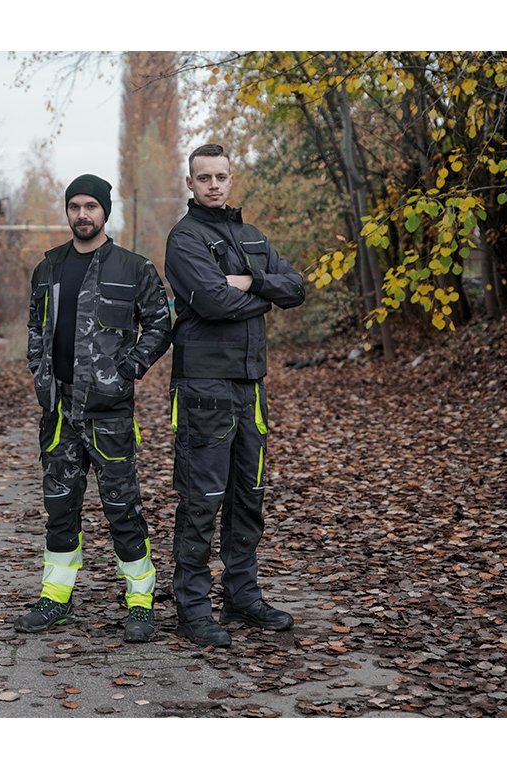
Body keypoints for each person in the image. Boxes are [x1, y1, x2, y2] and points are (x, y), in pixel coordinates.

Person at [18, 173, 172, 643]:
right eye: (75, 206)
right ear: (67, 211)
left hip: (109, 413)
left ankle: (140, 603)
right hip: (59, 412)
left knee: (123, 509)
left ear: (105, 211)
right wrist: (39, 370)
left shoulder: (133, 268)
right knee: (60, 508)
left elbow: (160, 323)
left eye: (90, 206)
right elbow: (36, 327)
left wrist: (127, 370)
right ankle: (55, 598)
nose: (82, 214)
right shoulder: (48, 268)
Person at [164, 144, 306, 647]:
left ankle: (242, 596)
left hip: (250, 386)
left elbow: (296, 288)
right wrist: (264, 298)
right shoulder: (184, 238)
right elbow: (215, 303)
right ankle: (192, 607)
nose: (214, 185)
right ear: (190, 183)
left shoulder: (253, 237)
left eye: (220, 176)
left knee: (249, 495)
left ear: (231, 178)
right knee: (202, 499)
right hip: (203, 386)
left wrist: (253, 281)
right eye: (204, 178)